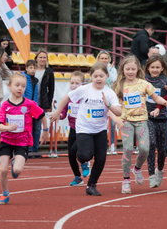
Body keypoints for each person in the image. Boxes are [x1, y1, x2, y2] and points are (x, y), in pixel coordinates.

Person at [50, 62, 122, 196]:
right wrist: (57, 112)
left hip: (100, 129)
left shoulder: (109, 93)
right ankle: (82, 158)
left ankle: (91, 185)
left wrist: (109, 104)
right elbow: (66, 98)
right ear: (91, 77)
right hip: (83, 128)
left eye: (101, 75)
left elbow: (118, 112)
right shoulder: (84, 89)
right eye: (95, 76)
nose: (98, 78)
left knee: (101, 159)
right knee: (85, 155)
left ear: (106, 76)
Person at [112, 55, 167, 194]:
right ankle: (126, 180)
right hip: (126, 121)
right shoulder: (118, 85)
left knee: (145, 148)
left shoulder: (144, 84)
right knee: (127, 149)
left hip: (142, 120)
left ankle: (137, 168)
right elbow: (114, 104)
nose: (130, 72)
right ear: (123, 69)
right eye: (128, 69)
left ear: (138, 69)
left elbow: (155, 97)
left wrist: (165, 102)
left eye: (133, 69)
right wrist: (117, 118)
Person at [0, 73, 44, 205]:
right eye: (17, 85)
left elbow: (42, 115)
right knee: (3, 170)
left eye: (23, 86)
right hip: (7, 140)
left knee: (17, 170)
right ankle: (5, 194)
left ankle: (15, 162)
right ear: (9, 86)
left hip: (22, 141)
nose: (20, 88)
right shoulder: (5, 106)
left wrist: (46, 131)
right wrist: (7, 128)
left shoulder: (29, 104)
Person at [144, 56, 167, 188]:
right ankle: (151, 175)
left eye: (157, 67)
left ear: (162, 68)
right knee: (151, 144)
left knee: (162, 149)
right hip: (147, 117)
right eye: (152, 67)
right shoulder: (142, 81)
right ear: (148, 68)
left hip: (162, 118)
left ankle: (159, 170)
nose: (155, 70)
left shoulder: (165, 81)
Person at [61, 71, 88, 186]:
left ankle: (84, 163)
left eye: (77, 83)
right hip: (72, 128)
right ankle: (77, 177)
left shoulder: (84, 98)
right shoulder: (69, 97)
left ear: (82, 85)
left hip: (83, 129)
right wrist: (61, 115)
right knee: (70, 154)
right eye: (72, 83)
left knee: (74, 150)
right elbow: (64, 110)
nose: (74, 85)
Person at [96, 51, 119, 154]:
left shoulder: (112, 69)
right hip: (97, 97)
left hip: (110, 96)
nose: (104, 60)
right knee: (99, 121)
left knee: (112, 122)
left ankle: (112, 144)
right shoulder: (95, 69)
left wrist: (109, 71)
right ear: (98, 59)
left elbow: (114, 80)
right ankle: (100, 144)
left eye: (106, 58)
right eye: (102, 58)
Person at [35, 50, 55, 156]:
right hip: (32, 100)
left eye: (44, 57)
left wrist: (49, 103)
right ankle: (28, 146)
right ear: (36, 58)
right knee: (30, 124)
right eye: (40, 57)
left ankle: (35, 148)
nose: (42, 59)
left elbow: (51, 89)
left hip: (42, 101)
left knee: (38, 125)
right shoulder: (32, 70)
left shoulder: (49, 72)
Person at [23, 59, 41, 155]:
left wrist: (35, 106)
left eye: (34, 68)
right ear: (26, 68)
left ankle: (35, 148)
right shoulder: (23, 78)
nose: (33, 70)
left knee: (36, 128)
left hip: (34, 107)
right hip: (25, 107)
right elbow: (23, 93)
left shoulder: (35, 80)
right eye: (30, 68)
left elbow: (36, 95)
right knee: (27, 128)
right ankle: (28, 148)